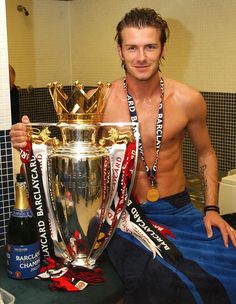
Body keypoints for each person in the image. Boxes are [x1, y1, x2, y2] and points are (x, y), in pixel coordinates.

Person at [10, 8, 236, 304]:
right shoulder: (100, 102)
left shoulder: (188, 100)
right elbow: (66, 152)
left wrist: (211, 209)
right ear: (120, 49)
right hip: (122, 215)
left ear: (162, 48)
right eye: (132, 47)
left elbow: (206, 153)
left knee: (230, 263)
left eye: (150, 46)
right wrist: (29, 140)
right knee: (159, 279)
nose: (141, 57)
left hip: (179, 210)